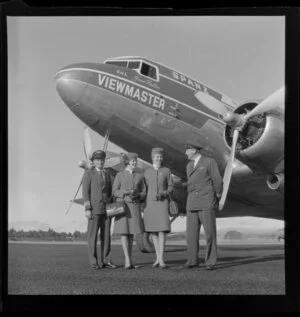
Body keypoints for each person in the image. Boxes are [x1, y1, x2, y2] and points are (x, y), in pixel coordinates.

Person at [183, 141, 223, 270]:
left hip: (206, 201)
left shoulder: (209, 162)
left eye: (187, 150)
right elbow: (191, 182)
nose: (185, 153)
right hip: (192, 203)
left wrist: (217, 194)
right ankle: (192, 260)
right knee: (191, 234)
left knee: (210, 233)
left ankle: (210, 261)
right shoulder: (189, 165)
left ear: (193, 150)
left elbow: (217, 180)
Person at [82, 150, 116, 270]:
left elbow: (111, 191)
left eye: (102, 160)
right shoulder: (88, 174)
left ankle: (105, 261)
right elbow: (85, 192)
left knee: (106, 236)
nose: (100, 162)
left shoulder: (107, 174)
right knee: (93, 236)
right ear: (94, 161)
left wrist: (114, 206)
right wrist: (87, 208)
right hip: (94, 209)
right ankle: (94, 262)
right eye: (97, 160)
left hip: (107, 209)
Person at [112, 153, 146, 269]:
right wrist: (124, 193)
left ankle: (130, 260)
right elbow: (114, 191)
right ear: (127, 162)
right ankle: (127, 259)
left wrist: (139, 195)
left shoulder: (140, 176)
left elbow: (144, 192)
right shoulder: (120, 175)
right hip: (123, 206)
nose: (134, 163)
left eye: (135, 161)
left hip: (134, 206)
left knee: (131, 234)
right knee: (124, 233)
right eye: (132, 161)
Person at [143, 148, 174, 269]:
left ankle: (161, 259)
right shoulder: (146, 171)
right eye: (157, 157)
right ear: (152, 157)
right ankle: (158, 258)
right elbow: (143, 188)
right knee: (153, 231)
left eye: (160, 157)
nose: (159, 159)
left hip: (162, 202)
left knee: (162, 231)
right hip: (149, 204)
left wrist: (164, 193)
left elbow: (171, 186)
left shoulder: (166, 171)